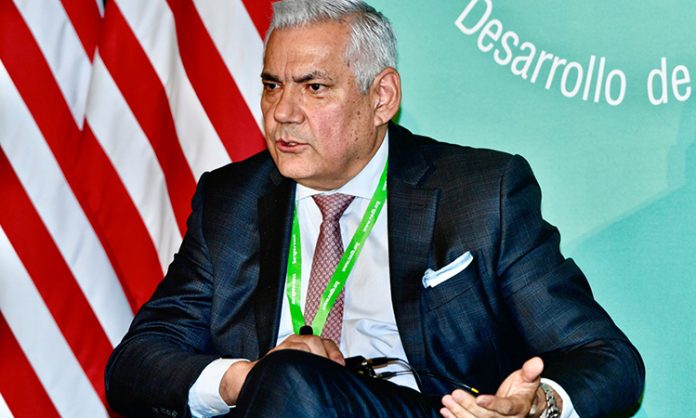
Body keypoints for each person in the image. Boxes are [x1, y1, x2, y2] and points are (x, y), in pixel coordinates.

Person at [105, 1, 645, 417]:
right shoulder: (232, 201)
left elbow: (607, 357)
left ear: (382, 96)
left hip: (427, 409)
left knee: (291, 378)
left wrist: (537, 405)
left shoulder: (480, 194)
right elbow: (135, 364)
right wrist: (245, 378)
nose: (283, 112)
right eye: (272, 85)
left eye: (314, 87)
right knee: (287, 377)